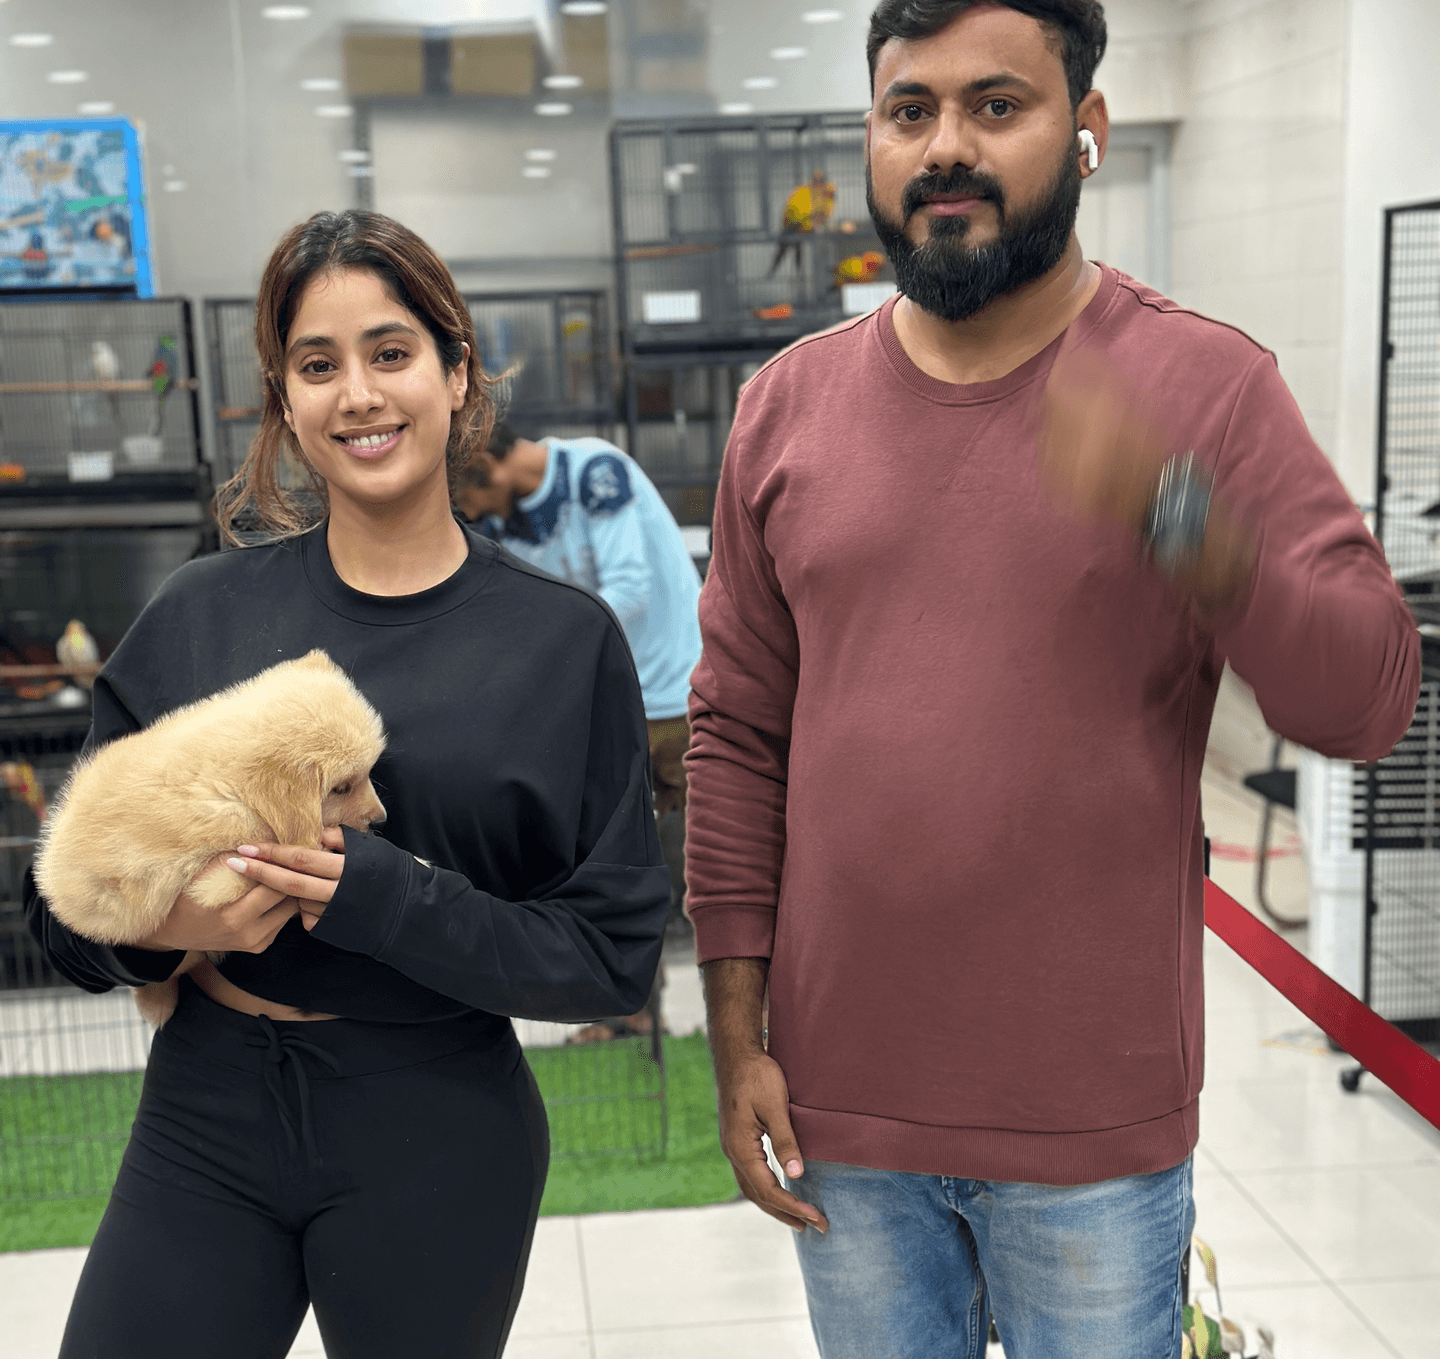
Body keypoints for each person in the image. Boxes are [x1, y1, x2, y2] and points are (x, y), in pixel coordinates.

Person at [685, 4, 1420, 1359]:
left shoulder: (1204, 386)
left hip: (1091, 1127)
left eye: (996, 104)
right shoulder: (787, 409)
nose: (945, 147)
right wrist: (739, 1037)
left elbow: (1365, 699)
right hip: (847, 1113)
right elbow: (738, 735)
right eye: (910, 111)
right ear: (869, 136)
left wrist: (1175, 514)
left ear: (1086, 129)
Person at [25, 209, 671, 1359]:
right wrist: (157, 930)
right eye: (317, 366)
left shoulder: (560, 647)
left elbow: (611, 958)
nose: (359, 395)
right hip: (207, 1108)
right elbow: (62, 907)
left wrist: (382, 897)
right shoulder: (197, 617)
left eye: (390, 352)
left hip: (438, 1123)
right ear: (283, 401)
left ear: (455, 368)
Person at [456, 423, 702, 1003]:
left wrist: (545, 653)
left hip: (681, 699)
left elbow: (630, 589)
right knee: (617, 875)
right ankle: (634, 1012)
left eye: (465, 498)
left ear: (486, 469)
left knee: (715, 868)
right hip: (612, 707)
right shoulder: (502, 524)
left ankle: (765, 1008)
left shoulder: (594, 472)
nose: (466, 514)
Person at [768, 168, 838, 276]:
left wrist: (814, 221)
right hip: (795, 225)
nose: (818, 184)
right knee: (788, 246)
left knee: (792, 246)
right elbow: (796, 210)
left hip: (802, 227)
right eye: (816, 180)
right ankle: (781, 270)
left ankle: (792, 272)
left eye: (820, 181)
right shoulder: (804, 191)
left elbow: (821, 216)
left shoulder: (826, 196)